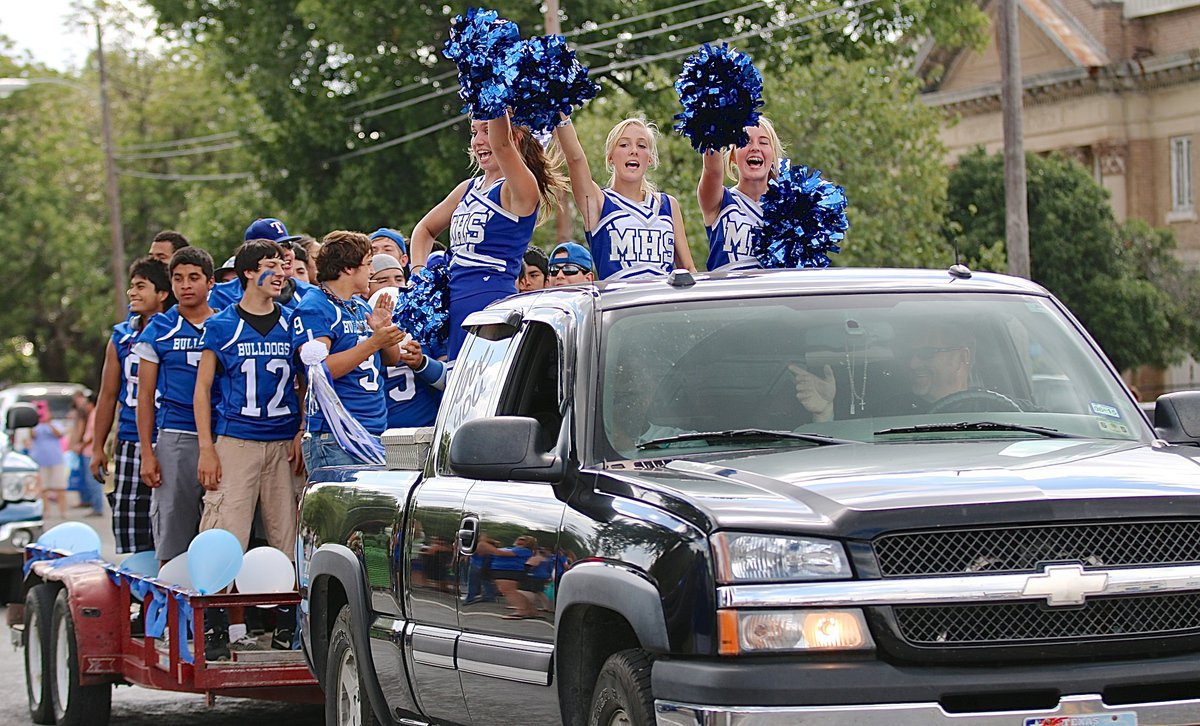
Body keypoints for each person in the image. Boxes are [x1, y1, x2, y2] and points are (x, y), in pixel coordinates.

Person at [194, 239, 306, 658]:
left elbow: (303, 383)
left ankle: (287, 626)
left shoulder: (292, 321)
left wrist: (301, 428)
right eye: (269, 266)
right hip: (236, 440)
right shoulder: (222, 325)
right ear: (246, 272)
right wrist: (207, 447)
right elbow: (202, 389)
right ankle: (215, 629)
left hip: (282, 441)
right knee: (224, 534)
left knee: (288, 535)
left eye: (282, 265)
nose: (279, 272)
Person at [410, 114, 568, 359]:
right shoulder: (467, 188)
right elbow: (424, 230)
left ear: (514, 137)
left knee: (487, 391)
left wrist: (493, 91)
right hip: (456, 307)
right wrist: (419, 275)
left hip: (492, 305)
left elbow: (502, 145)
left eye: (486, 131)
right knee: (458, 392)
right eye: (474, 132)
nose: (478, 141)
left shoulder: (521, 188)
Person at [291, 230, 409, 470]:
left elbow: (393, 359)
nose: (372, 271)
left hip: (373, 429)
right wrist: (373, 343)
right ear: (347, 268)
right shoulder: (315, 307)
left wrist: (383, 331)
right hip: (335, 435)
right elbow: (318, 372)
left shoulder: (359, 305)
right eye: (367, 264)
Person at [133, 247, 216, 564]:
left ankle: (224, 613)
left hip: (222, 435)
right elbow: (145, 397)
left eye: (194, 277)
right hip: (176, 434)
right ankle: (172, 611)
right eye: (178, 278)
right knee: (172, 530)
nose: (185, 285)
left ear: (210, 282)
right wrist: (148, 452)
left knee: (220, 529)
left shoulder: (226, 323)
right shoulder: (159, 328)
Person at [90, 257, 171, 554]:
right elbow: (108, 394)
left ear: (162, 293)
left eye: (141, 286)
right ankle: (140, 589)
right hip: (130, 438)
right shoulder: (122, 336)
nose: (132, 293)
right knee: (133, 522)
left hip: (170, 434)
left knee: (171, 521)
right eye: (131, 287)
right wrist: (97, 445)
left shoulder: (177, 331)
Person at [554, 115, 695, 281]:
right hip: (619, 304)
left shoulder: (667, 204)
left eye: (641, 145)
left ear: (649, 158)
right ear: (610, 157)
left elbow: (688, 269)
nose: (634, 150)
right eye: (624, 144)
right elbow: (575, 159)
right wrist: (562, 114)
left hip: (662, 303)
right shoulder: (600, 202)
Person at [790, 323, 985, 421]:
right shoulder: (889, 413)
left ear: (962, 356)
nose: (913, 364)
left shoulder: (1005, 412)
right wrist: (824, 413)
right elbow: (850, 455)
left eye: (926, 353)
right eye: (910, 354)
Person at [697, 117, 784, 271]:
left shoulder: (787, 209)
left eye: (763, 142)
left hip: (773, 294)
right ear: (733, 157)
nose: (755, 148)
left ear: (773, 156)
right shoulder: (721, 201)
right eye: (745, 141)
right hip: (728, 294)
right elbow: (712, 170)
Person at [209, 218, 309, 311]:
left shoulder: (310, 294)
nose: (286, 253)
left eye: (289, 245)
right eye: (278, 247)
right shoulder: (222, 295)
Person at [29, 401, 67, 519]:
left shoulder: (55, 424)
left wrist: (49, 422)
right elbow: (32, 435)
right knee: (43, 488)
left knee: (60, 487)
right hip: (40, 460)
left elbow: (59, 434)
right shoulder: (35, 426)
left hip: (55, 459)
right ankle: (46, 510)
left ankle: (63, 511)